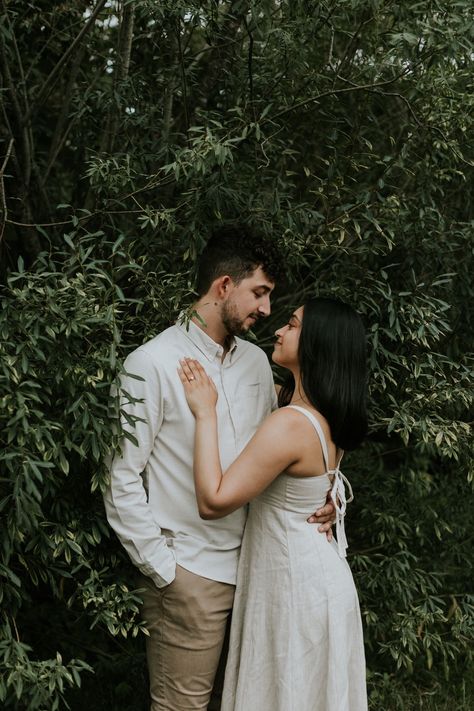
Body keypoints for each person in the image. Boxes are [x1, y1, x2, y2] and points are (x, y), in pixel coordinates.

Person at [103, 226, 336, 711]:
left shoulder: (255, 361)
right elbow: (120, 477)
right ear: (224, 286)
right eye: (260, 293)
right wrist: (165, 570)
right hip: (191, 575)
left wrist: (328, 497)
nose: (267, 311)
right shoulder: (150, 364)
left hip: (259, 569)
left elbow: (291, 445)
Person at [178, 297, 368, 711]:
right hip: (317, 577)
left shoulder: (290, 424)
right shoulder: (325, 412)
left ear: (316, 344)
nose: (279, 330)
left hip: (295, 586)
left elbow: (214, 501)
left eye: (294, 325)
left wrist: (205, 413)